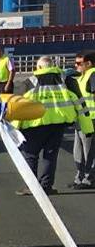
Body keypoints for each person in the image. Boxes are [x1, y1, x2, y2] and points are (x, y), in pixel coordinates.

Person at [17, 56, 81, 194]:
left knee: (30, 155)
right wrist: (83, 125)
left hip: (34, 124)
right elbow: (79, 101)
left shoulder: (30, 82)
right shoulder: (65, 80)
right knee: (50, 156)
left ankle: (31, 187)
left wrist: (15, 128)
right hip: (57, 124)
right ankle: (46, 186)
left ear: (39, 67)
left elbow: (18, 106)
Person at [71, 50, 95, 189]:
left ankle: (88, 178)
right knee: (78, 150)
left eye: (79, 63)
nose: (76, 66)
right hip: (81, 119)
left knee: (89, 151)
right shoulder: (82, 76)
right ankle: (80, 177)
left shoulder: (92, 74)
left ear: (89, 63)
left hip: (91, 118)